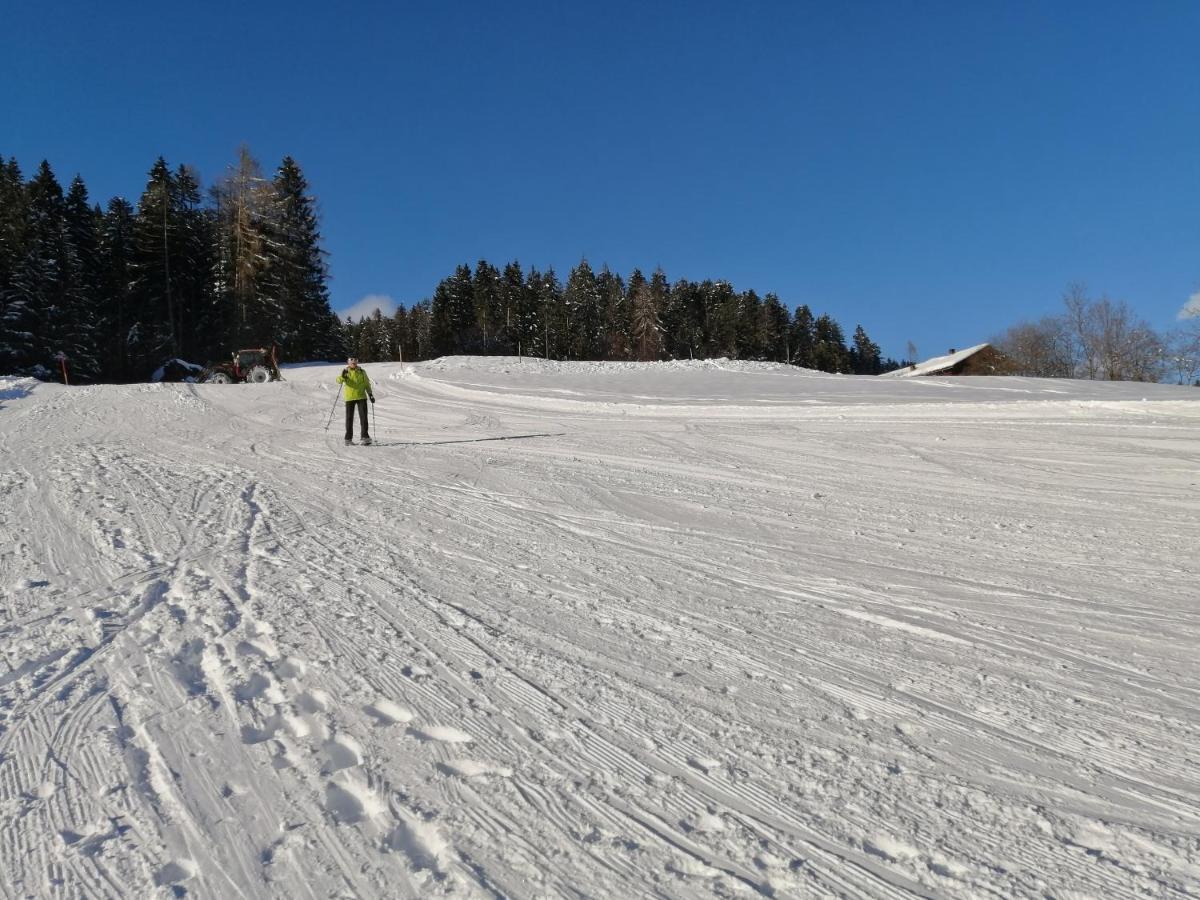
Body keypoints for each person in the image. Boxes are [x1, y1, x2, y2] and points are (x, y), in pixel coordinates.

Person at [336, 357, 375, 445]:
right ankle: (348, 439)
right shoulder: (346, 371)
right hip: (349, 397)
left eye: (355, 363)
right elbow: (338, 381)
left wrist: (370, 394)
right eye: (352, 363)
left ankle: (365, 437)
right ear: (348, 363)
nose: (354, 364)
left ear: (357, 363)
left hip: (361, 397)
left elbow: (366, 384)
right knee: (349, 418)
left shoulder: (362, 371)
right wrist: (342, 376)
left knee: (364, 418)